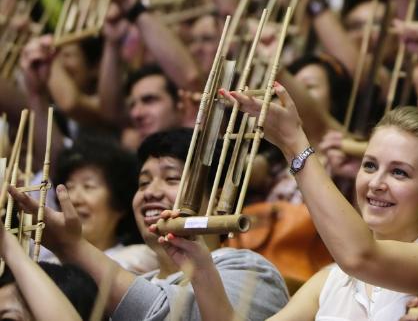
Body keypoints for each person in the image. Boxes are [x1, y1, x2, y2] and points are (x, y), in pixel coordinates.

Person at [215, 84, 418, 320]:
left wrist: (295, 144)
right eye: (370, 166)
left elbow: (361, 257)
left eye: (399, 172)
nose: (376, 183)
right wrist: (200, 265)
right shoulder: (330, 280)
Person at [10, 128, 289, 321]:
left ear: (217, 202)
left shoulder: (251, 269)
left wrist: (72, 247)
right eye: (143, 182)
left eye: (171, 179)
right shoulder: (139, 281)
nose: (151, 192)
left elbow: (170, 313)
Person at [52, 136, 157, 273]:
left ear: (119, 202)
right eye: (69, 187)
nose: (74, 199)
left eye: (88, 186)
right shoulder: (51, 262)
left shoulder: (137, 259)